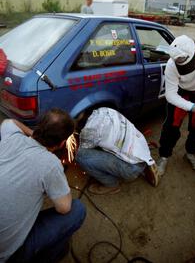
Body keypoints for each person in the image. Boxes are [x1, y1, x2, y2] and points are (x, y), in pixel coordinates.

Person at [0, 108, 86, 263]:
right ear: (61, 143)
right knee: (78, 210)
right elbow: (64, 208)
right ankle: (49, 256)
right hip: (7, 255)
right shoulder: (50, 165)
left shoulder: (11, 137)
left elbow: (9, 122)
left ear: (38, 126)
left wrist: (32, 135)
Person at [76, 107, 160, 195]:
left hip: (131, 169)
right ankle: (144, 162)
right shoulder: (104, 110)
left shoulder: (88, 131)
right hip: (142, 149)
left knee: (81, 156)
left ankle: (111, 185)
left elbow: (85, 147)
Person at [157, 35, 195, 175]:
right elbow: (170, 95)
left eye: (191, 65)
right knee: (171, 126)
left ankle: (191, 152)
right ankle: (164, 155)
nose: (189, 69)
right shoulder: (172, 65)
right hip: (181, 92)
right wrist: (192, 107)